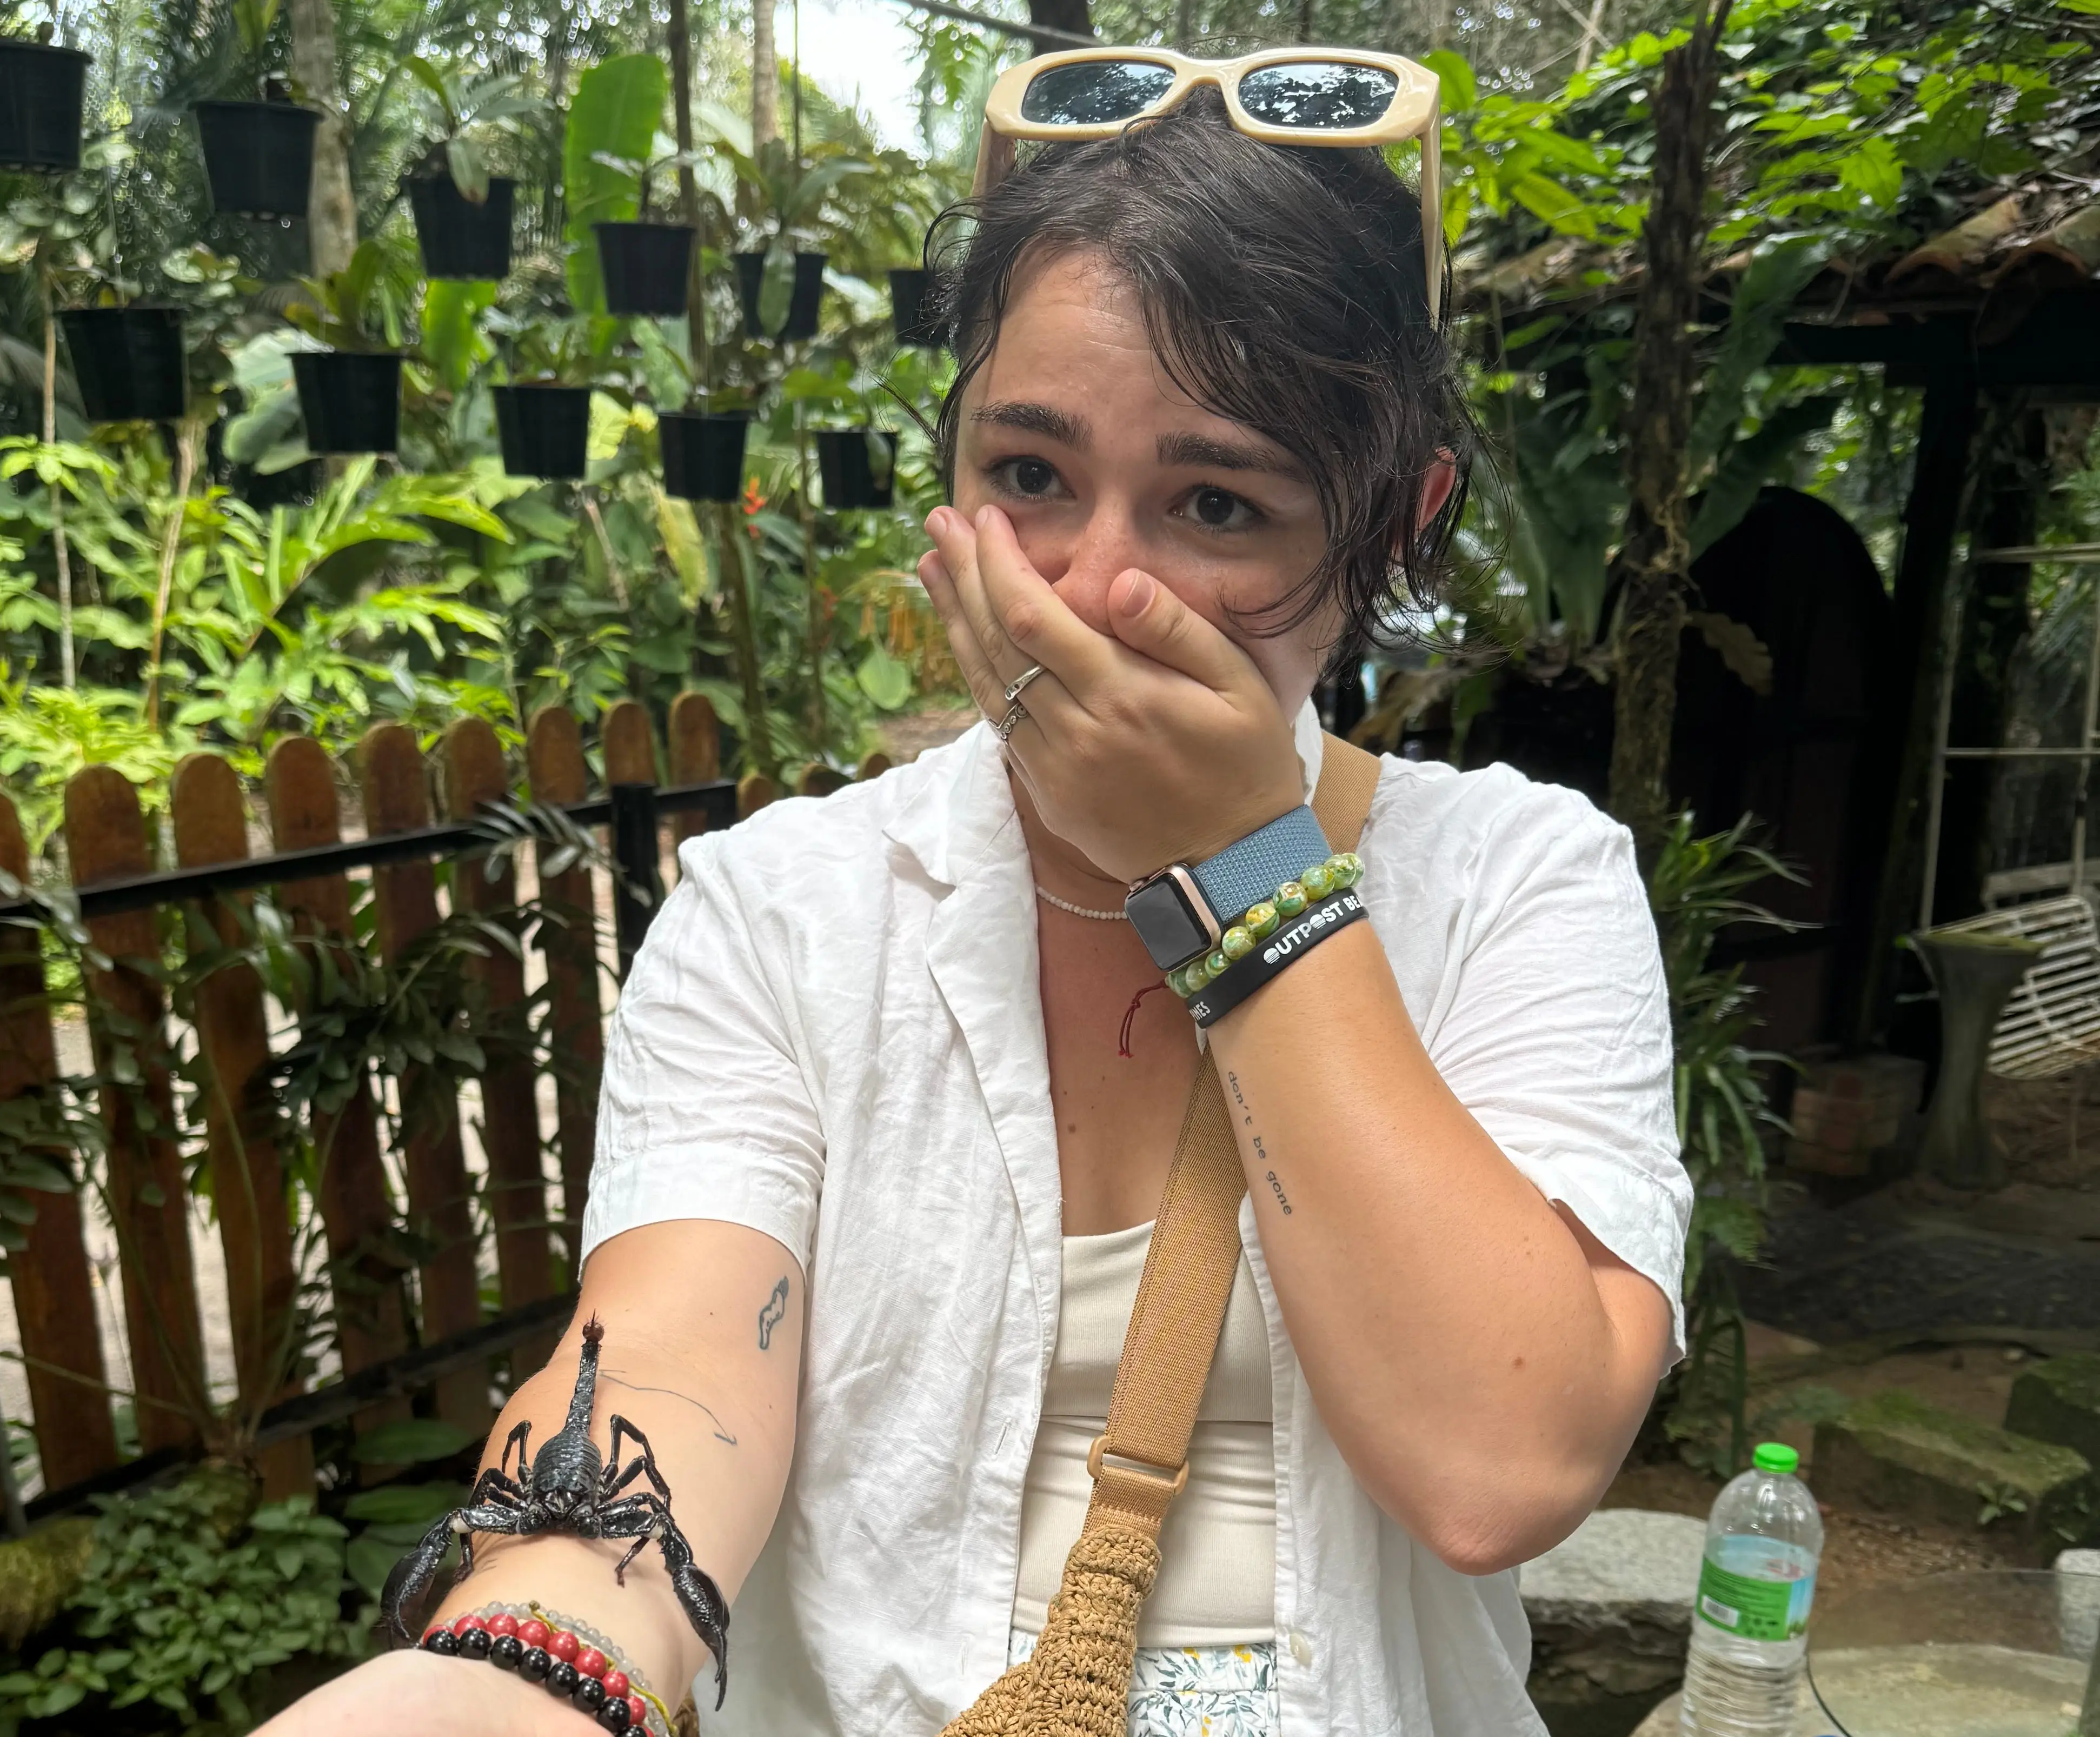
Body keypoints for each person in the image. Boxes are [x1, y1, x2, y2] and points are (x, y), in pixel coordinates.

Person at [262, 46, 1687, 1737]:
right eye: (1028, 477)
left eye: (1214, 499)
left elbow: (1500, 1460)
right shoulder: (778, 910)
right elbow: (673, 1356)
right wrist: (529, 1670)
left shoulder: (1519, 882)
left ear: (1396, 520)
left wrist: (1244, 864)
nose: (1088, 589)